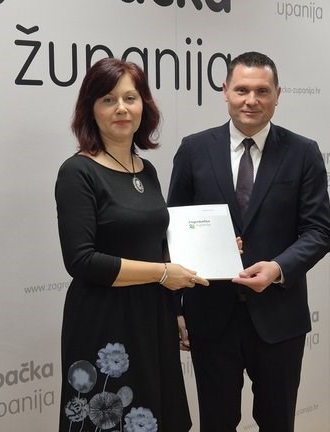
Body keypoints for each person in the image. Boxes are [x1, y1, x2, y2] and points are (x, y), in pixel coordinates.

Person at [167, 51, 330, 432]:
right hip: (210, 317)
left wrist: (277, 268)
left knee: (277, 423)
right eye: (242, 90)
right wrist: (175, 307)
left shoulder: (303, 152)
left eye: (262, 91)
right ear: (225, 91)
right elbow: (173, 230)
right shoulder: (194, 149)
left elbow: (319, 231)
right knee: (216, 423)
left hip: (279, 318)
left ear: (278, 95)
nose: (251, 100)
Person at [55, 57, 208, 432]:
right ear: (91, 109)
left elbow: (155, 244)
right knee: (110, 419)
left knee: (157, 415)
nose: (121, 108)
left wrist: (179, 303)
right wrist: (162, 274)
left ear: (144, 106)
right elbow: (82, 260)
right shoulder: (77, 171)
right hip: (104, 321)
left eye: (130, 98)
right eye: (108, 99)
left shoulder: (146, 169)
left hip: (153, 316)